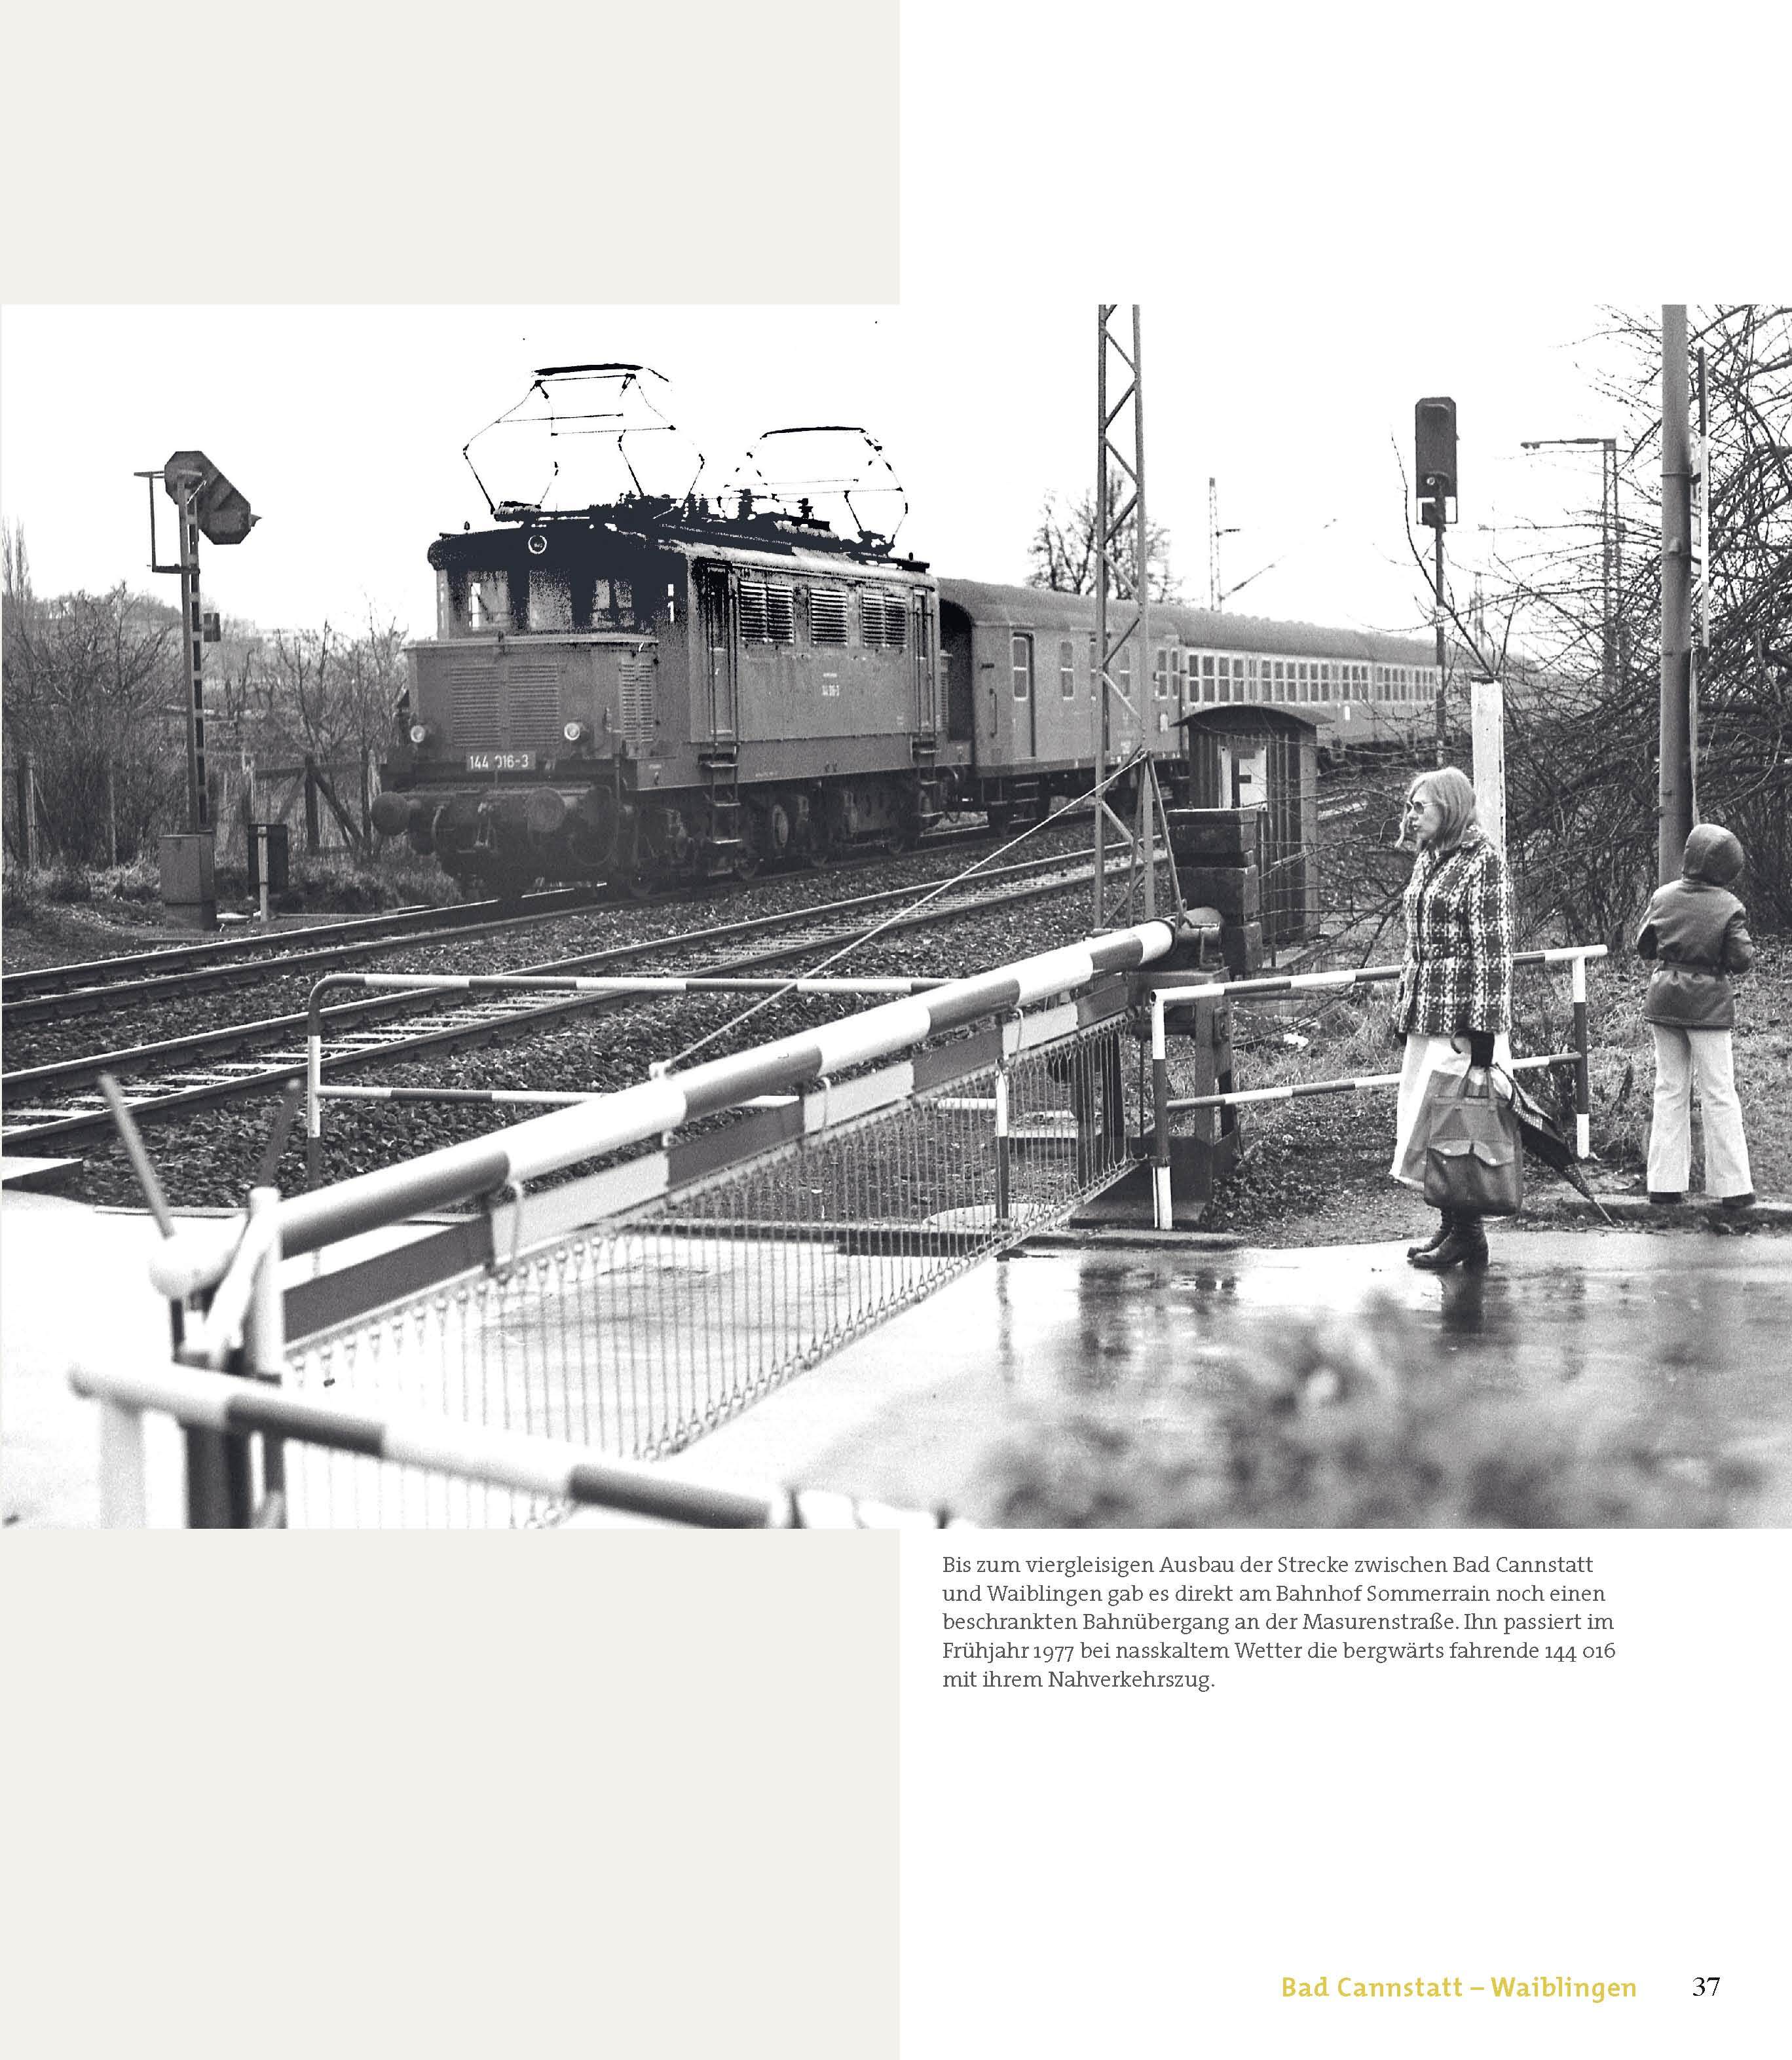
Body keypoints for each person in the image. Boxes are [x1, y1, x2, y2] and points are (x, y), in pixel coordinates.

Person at [1388, 766, 1514, 1270]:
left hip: (1463, 1023)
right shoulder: (1429, 858)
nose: (1412, 815)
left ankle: (1468, 1233)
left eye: (1421, 807)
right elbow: (1414, 945)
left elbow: (1494, 950)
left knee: (1460, 1126)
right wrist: (1404, 1006)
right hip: (1428, 1014)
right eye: (1410, 806)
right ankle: (1452, 1225)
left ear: (1452, 807)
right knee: (1432, 1127)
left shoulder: (1483, 862)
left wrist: (1483, 1029)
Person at [1635, 823, 1755, 1207]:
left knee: (1669, 1089)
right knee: (1719, 1092)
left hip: (1665, 1001)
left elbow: (1645, 947)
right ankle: (1733, 1189)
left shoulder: (1663, 897)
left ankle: (1664, 1184)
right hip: (1708, 1006)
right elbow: (1742, 960)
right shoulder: (1729, 906)